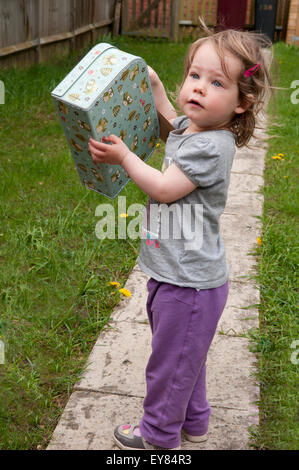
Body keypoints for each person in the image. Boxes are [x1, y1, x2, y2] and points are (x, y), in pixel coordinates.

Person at [88, 21, 272, 450]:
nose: (198, 89)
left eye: (216, 83)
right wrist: (152, 84)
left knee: (168, 365)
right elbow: (173, 122)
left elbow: (164, 188)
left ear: (241, 104)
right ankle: (195, 419)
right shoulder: (199, 129)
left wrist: (124, 156)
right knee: (185, 357)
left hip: (188, 283)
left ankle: (158, 436)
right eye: (194, 76)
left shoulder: (213, 146)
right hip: (175, 274)